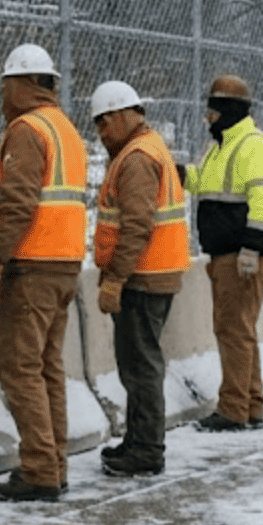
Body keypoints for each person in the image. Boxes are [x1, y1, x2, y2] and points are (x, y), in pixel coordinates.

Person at [0, 44, 88, 503]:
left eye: (5, 87)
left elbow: (19, 204)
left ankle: (40, 471)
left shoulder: (26, 130)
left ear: (22, 86)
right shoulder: (66, 130)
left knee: (21, 371)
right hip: (64, 265)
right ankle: (54, 464)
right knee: (46, 370)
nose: (2, 97)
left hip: (31, 266)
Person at [89, 80, 189, 478]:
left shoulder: (136, 159)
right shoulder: (147, 149)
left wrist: (115, 279)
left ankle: (146, 449)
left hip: (143, 278)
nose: (101, 132)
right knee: (137, 363)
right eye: (97, 124)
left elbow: (136, 227)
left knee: (141, 366)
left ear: (125, 115)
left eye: (105, 122)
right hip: (151, 274)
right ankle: (138, 440)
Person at [187, 74, 263, 433]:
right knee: (240, 329)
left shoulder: (254, 146)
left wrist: (250, 250)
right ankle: (251, 404)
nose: (208, 117)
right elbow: (204, 183)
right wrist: (177, 173)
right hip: (227, 252)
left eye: (213, 110)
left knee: (232, 330)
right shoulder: (222, 146)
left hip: (242, 254)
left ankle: (232, 410)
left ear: (228, 110)